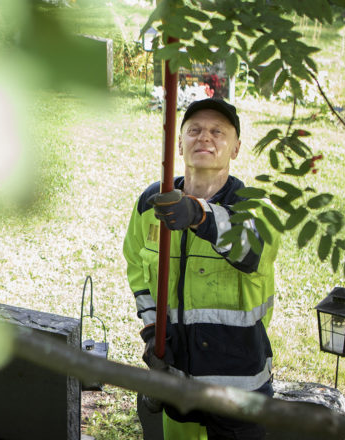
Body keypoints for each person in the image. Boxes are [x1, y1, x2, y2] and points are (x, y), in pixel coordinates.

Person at [123, 98, 280, 440]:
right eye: (194, 130)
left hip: (238, 386)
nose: (204, 138)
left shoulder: (257, 207)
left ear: (236, 148)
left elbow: (250, 252)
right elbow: (137, 268)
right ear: (179, 143)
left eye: (217, 132)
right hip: (177, 379)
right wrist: (153, 330)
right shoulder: (151, 204)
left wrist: (199, 214)